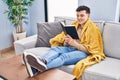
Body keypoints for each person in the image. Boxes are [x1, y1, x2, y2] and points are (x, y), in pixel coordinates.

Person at [23, 5, 106, 80]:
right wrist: (67, 41)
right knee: (56, 49)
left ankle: (38, 69)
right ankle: (42, 60)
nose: (79, 18)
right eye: (77, 15)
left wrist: (75, 44)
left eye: (82, 15)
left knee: (64, 56)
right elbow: (65, 43)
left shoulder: (93, 29)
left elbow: (92, 50)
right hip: (71, 48)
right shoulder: (75, 25)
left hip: (83, 53)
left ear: (88, 15)